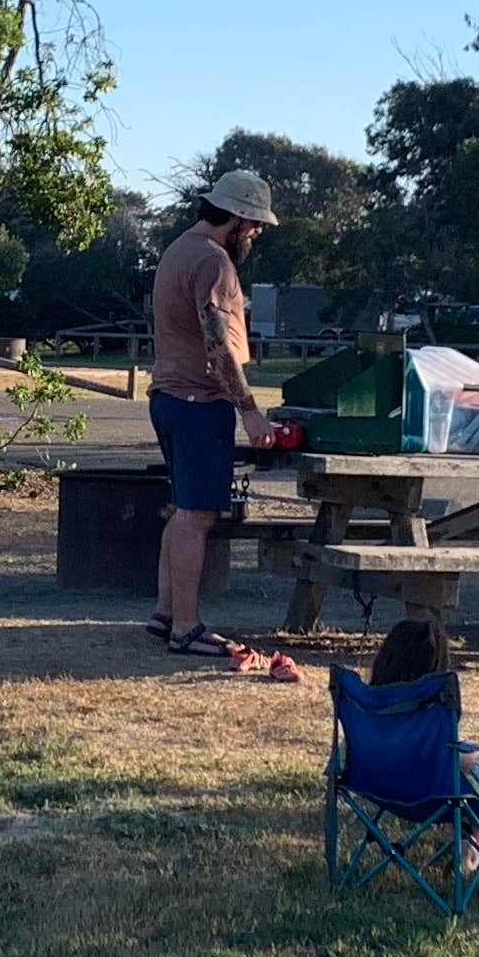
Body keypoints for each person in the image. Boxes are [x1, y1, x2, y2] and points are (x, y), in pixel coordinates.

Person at [147, 166, 280, 652]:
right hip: (199, 402)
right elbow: (218, 346)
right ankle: (186, 627)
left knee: (183, 511)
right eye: (256, 225)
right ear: (238, 219)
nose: (258, 234)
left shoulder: (178, 249)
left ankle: (165, 614)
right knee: (197, 517)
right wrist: (249, 409)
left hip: (169, 397)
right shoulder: (214, 263)